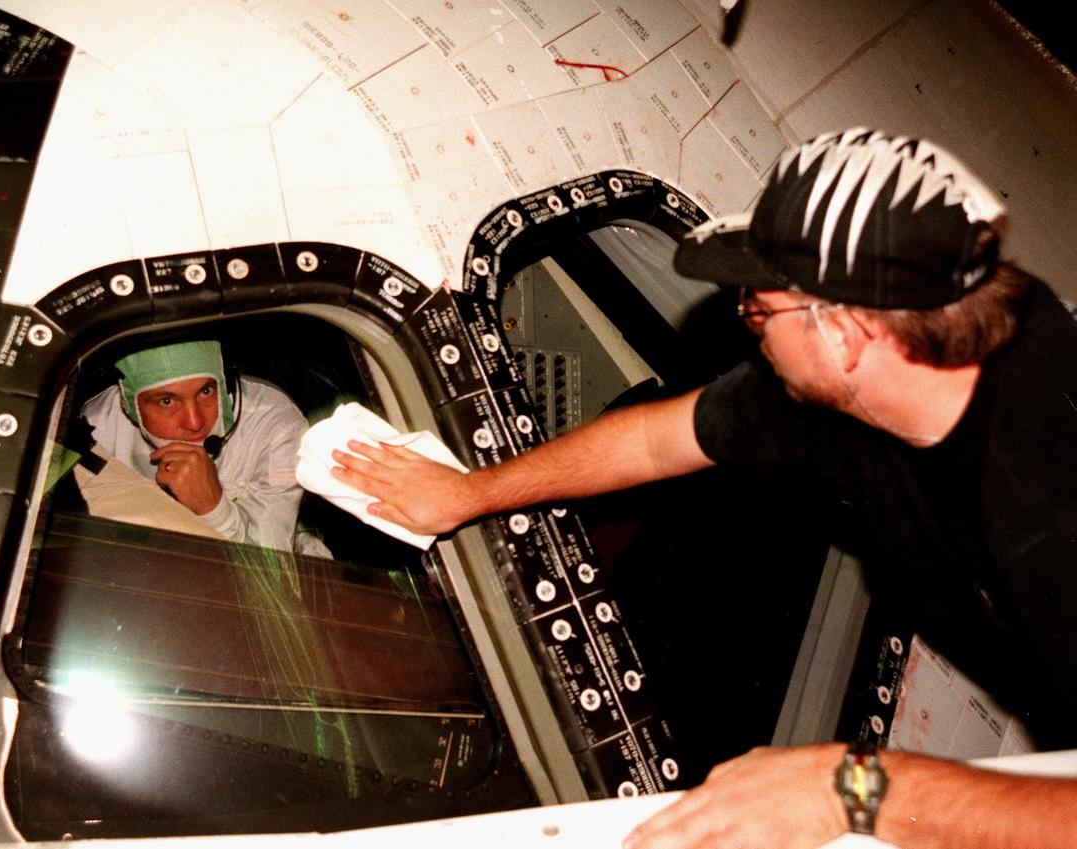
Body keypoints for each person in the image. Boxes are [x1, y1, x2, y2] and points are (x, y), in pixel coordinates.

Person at [328, 128, 1077, 848]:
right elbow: (660, 438)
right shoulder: (875, 382)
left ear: (846, 334)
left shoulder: (1048, 500)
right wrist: (471, 493)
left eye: (757, 308)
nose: (747, 326)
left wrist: (847, 787)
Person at [81, 339, 327, 555]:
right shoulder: (97, 426)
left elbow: (268, 573)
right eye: (167, 401)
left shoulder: (274, 424)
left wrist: (214, 507)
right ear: (128, 405)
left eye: (206, 391)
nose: (195, 422)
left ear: (224, 383)